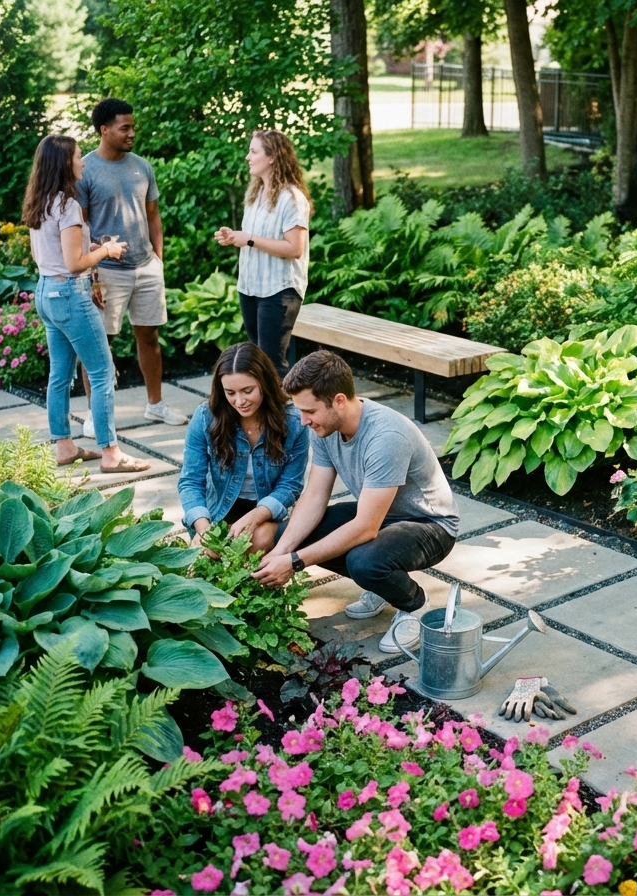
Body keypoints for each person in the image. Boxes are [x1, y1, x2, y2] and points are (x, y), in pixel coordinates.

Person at [253, 351, 459, 654]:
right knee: (289, 534)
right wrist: (281, 552)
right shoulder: (324, 428)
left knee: (364, 561)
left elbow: (365, 528)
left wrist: (294, 562)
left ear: (339, 400)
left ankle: (414, 605)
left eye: (309, 411)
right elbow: (314, 496)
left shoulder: (387, 436)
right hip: (382, 515)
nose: (303, 420)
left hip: (430, 524)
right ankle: (384, 587)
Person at [22, 134, 152, 474]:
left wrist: (89, 245)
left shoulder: (41, 201)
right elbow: (74, 263)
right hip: (70, 294)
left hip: (46, 292)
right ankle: (111, 453)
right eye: (78, 157)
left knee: (59, 375)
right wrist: (106, 250)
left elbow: (49, 252)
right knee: (102, 372)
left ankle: (64, 447)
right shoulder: (67, 205)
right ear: (64, 164)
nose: (82, 162)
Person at [77, 97, 188, 438]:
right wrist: (91, 275)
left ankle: (155, 404)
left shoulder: (142, 167)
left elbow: (153, 215)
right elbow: (80, 227)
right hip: (106, 271)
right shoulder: (85, 170)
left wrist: (159, 260)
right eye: (124, 128)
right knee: (99, 344)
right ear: (104, 130)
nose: (131, 133)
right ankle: (95, 414)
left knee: (150, 337)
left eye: (132, 127)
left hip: (146, 267)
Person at [179, 342, 308, 555]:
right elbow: (191, 481)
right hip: (219, 511)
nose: (240, 401)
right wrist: (203, 529)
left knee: (259, 541)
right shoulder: (205, 417)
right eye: (230, 392)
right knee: (215, 550)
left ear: (264, 383)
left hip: (266, 511)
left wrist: (256, 517)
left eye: (248, 391)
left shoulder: (294, 422)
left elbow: (290, 485)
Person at [214, 130, 311, 376]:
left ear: (272, 157)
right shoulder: (255, 194)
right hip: (250, 287)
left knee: (273, 366)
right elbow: (254, 239)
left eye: (253, 151)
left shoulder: (292, 198)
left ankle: (284, 402)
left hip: (279, 291)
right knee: (259, 363)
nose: (247, 157)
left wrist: (248, 239)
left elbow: (294, 248)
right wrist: (233, 237)